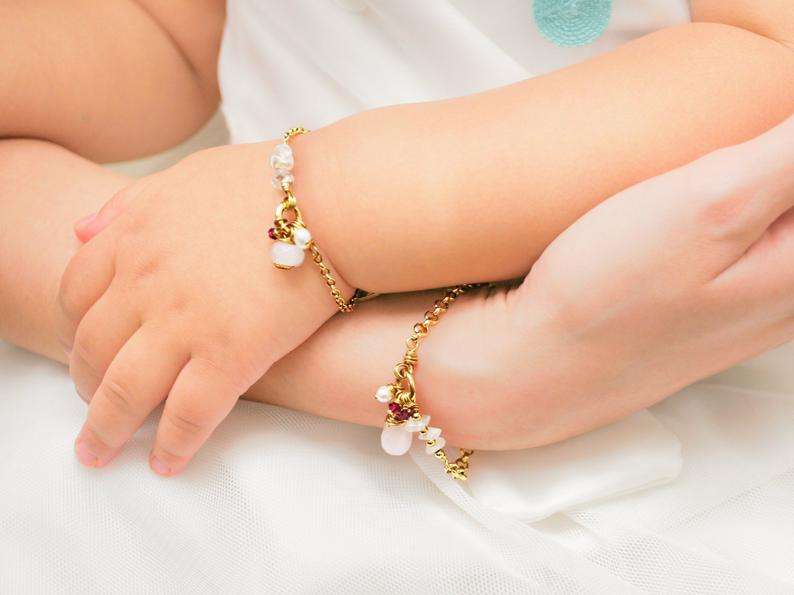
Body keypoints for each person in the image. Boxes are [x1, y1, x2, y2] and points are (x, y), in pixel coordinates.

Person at [0, 1, 792, 479]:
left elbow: (770, 62)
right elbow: (178, 37)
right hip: (245, 341)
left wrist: (325, 206)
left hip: (659, 372)